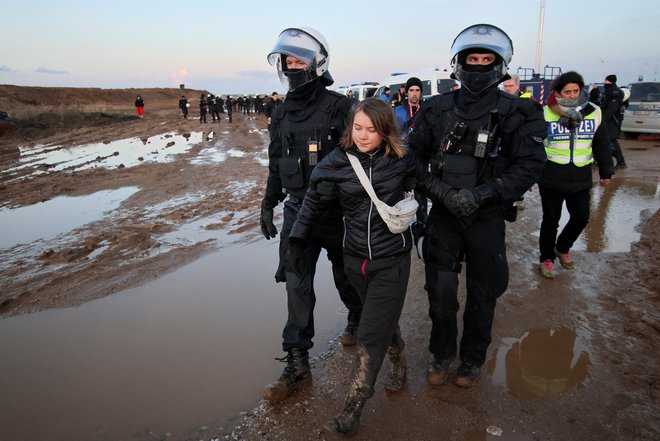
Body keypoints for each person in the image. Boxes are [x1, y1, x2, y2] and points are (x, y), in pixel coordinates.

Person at [289, 98, 456, 436]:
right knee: (380, 319)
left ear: (385, 131)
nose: (363, 136)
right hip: (354, 260)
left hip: (391, 259)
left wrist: (462, 201)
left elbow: (429, 185)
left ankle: (353, 407)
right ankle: (399, 362)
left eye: (372, 130)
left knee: (369, 333)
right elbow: (313, 201)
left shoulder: (401, 160)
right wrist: (296, 239)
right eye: (358, 128)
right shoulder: (336, 162)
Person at [409, 24, 547, 388]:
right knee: (440, 293)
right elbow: (411, 160)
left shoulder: (521, 112)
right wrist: (441, 193)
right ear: (459, 62)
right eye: (474, 59)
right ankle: (441, 354)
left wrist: (483, 194)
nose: (480, 65)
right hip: (443, 215)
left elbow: (530, 164)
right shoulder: (436, 109)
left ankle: (472, 359)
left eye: (489, 60)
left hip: (486, 217)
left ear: (500, 65)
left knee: (483, 294)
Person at [259, 27, 363, 404]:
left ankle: (357, 318)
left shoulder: (340, 107)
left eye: (299, 59)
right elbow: (276, 161)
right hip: (297, 212)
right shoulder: (280, 110)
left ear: (317, 64)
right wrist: (267, 204)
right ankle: (297, 360)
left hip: (338, 214)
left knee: (346, 276)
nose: (291, 66)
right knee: (296, 284)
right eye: (287, 60)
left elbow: (362, 162)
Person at [537, 71, 614, 279]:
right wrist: (529, 173)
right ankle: (546, 259)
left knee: (581, 217)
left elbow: (601, 143)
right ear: (558, 92)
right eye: (567, 92)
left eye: (576, 91)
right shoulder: (546, 113)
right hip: (552, 173)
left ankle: (562, 248)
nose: (572, 96)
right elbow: (533, 145)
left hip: (580, 174)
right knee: (550, 221)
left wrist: (606, 170)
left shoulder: (594, 112)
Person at [602, 74, 627, 169]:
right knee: (603, 140)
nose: (605, 83)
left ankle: (621, 162)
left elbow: (612, 108)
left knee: (612, 141)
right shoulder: (607, 91)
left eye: (607, 81)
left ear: (611, 81)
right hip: (606, 119)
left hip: (612, 120)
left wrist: (603, 119)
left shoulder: (616, 92)